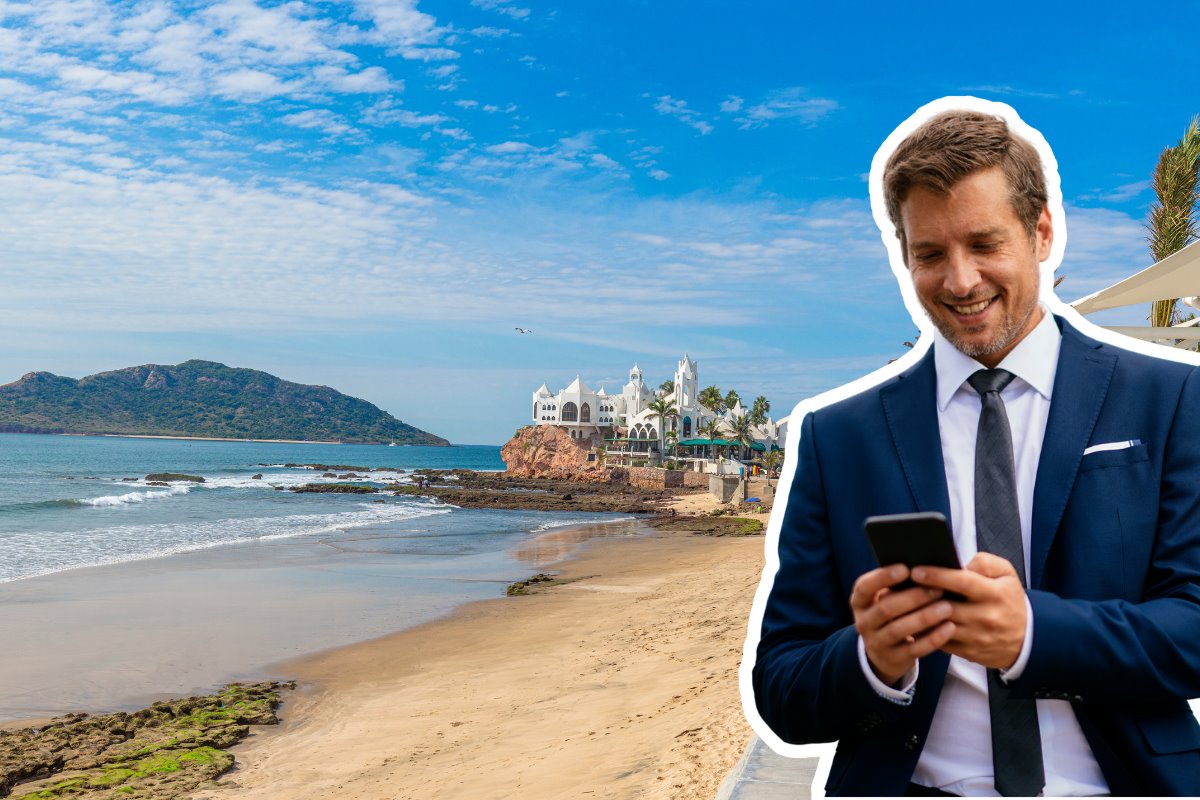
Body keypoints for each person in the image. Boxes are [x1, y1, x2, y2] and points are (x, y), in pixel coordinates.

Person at [748, 103, 1200, 796]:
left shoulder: (1170, 400)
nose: (960, 281)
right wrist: (870, 659)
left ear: (1042, 232)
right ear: (905, 258)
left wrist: (1033, 635)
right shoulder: (838, 438)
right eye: (930, 254)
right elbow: (781, 683)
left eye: (984, 243)